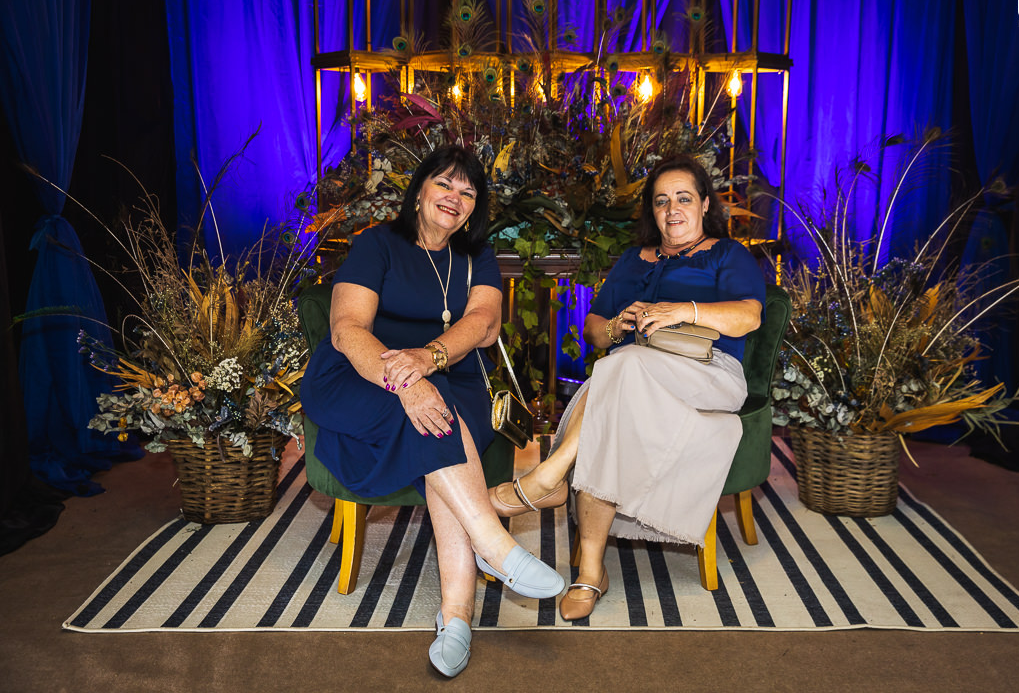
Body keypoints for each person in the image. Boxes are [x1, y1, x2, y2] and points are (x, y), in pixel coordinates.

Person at [300, 145, 564, 678]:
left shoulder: (475, 254)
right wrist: (407, 384)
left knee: (440, 421)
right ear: (419, 191)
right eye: (444, 184)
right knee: (433, 422)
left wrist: (428, 361)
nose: (454, 198)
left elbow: (484, 322)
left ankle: (457, 616)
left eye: (467, 192)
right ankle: (488, 556)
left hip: (450, 373)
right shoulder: (377, 243)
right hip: (361, 373)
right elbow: (347, 329)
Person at [487, 154, 765, 621]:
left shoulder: (727, 254)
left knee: (622, 366)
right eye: (661, 201)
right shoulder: (634, 261)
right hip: (634, 378)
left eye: (683, 198)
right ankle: (590, 572)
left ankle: (550, 474)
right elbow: (595, 331)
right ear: (651, 210)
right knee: (619, 375)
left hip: (710, 373)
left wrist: (682, 310)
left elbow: (749, 316)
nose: (672, 210)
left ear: (704, 205)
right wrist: (619, 324)